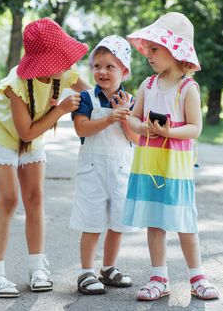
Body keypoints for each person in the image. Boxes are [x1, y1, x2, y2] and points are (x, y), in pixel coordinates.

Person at [0, 18, 91, 298]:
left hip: (34, 130)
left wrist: (115, 103)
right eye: (58, 59)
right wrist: (61, 110)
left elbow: (92, 94)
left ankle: (37, 268)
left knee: (35, 199)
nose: (64, 64)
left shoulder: (65, 73)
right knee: (8, 199)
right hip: (3, 131)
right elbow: (26, 133)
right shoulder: (16, 85)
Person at [123, 12, 219, 301]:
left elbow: (195, 128)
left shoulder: (188, 88)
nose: (148, 55)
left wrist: (168, 132)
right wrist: (144, 128)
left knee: (184, 222)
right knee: (155, 221)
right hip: (150, 164)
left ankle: (196, 276)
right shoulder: (147, 85)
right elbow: (132, 118)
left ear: (175, 50)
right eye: (148, 49)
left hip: (176, 167)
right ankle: (159, 276)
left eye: (155, 49)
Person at [70, 35, 139, 295]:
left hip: (121, 170)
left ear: (124, 71)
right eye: (97, 66)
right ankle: (86, 271)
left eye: (110, 66)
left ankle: (109, 267)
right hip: (92, 170)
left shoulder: (131, 101)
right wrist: (111, 117)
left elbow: (135, 138)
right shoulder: (87, 98)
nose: (102, 71)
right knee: (92, 221)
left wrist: (123, 118)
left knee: (118, 222)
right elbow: (82, 128)